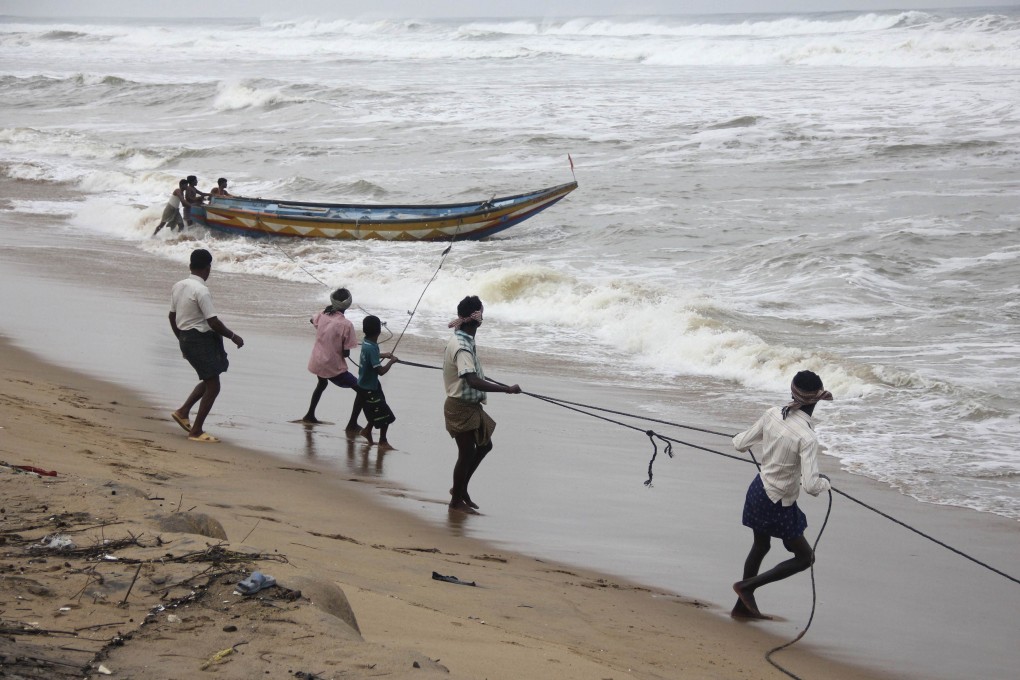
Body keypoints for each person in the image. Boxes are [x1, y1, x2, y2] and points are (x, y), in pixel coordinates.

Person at [730, 370, 833, 620]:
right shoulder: (807, 437)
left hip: (758, 490)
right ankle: (747, 587)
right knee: (804, 558)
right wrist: (825, 484)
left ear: (792, 392)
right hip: (777, 502)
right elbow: (810, 486)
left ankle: (742, 608)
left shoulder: (773, 414)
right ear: (817, 399)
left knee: (761, 544)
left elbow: (740, 443)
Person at [442, 296, 521, 513]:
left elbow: (471, 374)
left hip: (469, 405)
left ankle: (460, 489)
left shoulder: (464, 338)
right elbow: (471, 380)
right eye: (481, 313)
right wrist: (506, 389)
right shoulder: (462, 346)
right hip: (460, 407)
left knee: (485, 446)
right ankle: (456, 500)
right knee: (466, 454)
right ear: (476, 318)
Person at [168, 248, 244, 442]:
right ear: (208, 268)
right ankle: (196, 431)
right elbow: (213, 322)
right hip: (199, 340)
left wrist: (180, 340)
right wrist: (233, 336)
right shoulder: (201, 290)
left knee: (211, 377)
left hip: (185, 337)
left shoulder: (179, 285)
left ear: (190, 265)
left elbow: (171, 316)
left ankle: (183, 412)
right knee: (214, 385)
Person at [301, 288, 362, 429]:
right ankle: (352, 424)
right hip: (332, 365)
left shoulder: (323, 315)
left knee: (321, 384)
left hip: (317, 361)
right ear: (348, 304)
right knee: (361, 390)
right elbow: (346, 353)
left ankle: (310, 414)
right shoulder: (347, 325)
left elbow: (312, 319)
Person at [356, 315, 398, 446]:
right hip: (370, 388)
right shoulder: (372, 347)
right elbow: (381, 371)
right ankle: (383, 441)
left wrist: (383, 355)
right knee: (385, 415)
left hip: (366, 385)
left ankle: (367, 430)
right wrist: (391, 361)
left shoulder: (367, 343)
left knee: (377, 409)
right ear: (379, 330)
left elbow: (371, 356)